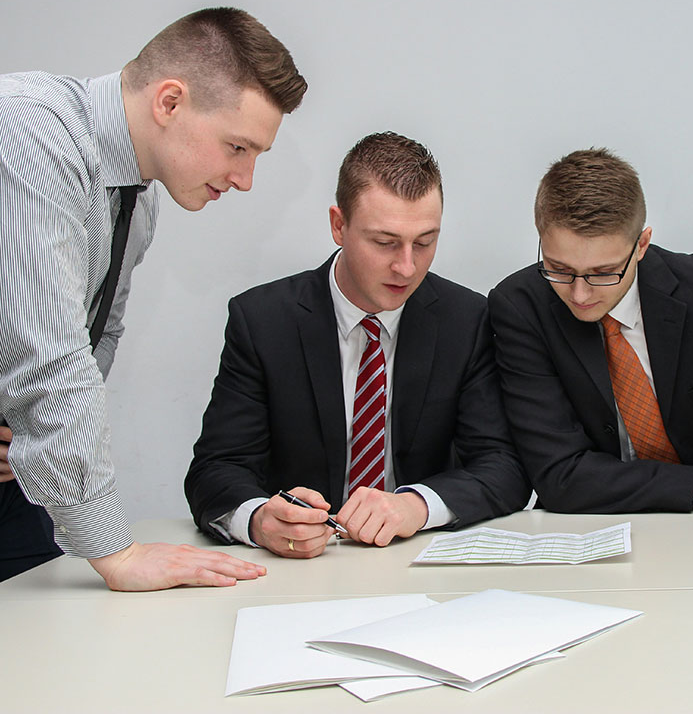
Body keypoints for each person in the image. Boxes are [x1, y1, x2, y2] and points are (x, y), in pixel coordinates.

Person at [0, 7, 307, 589]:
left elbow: (95, 338)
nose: (245, 179)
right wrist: (118, 552)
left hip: (17, 487)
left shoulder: (138, 200)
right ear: (170, 102)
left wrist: (29, 434)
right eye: (238, 148)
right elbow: (49, 361)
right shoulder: (27, 135)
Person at [184, 132, 530, 557]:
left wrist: (415, 505)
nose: (406, 267)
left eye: (424, 242)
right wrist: (260, 520)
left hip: (415, 562)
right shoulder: (263, 321)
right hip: (299, 571)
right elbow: (216, 469)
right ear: (338, 225)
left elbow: (504, 467)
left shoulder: (466, 320)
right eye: (384, 242)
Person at [488, 148, 693, 514]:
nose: (580, 294)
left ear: (641, 244)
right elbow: (560, 476)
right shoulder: (521, 307)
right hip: (602, 528)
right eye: (558, 268)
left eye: (603, 273)